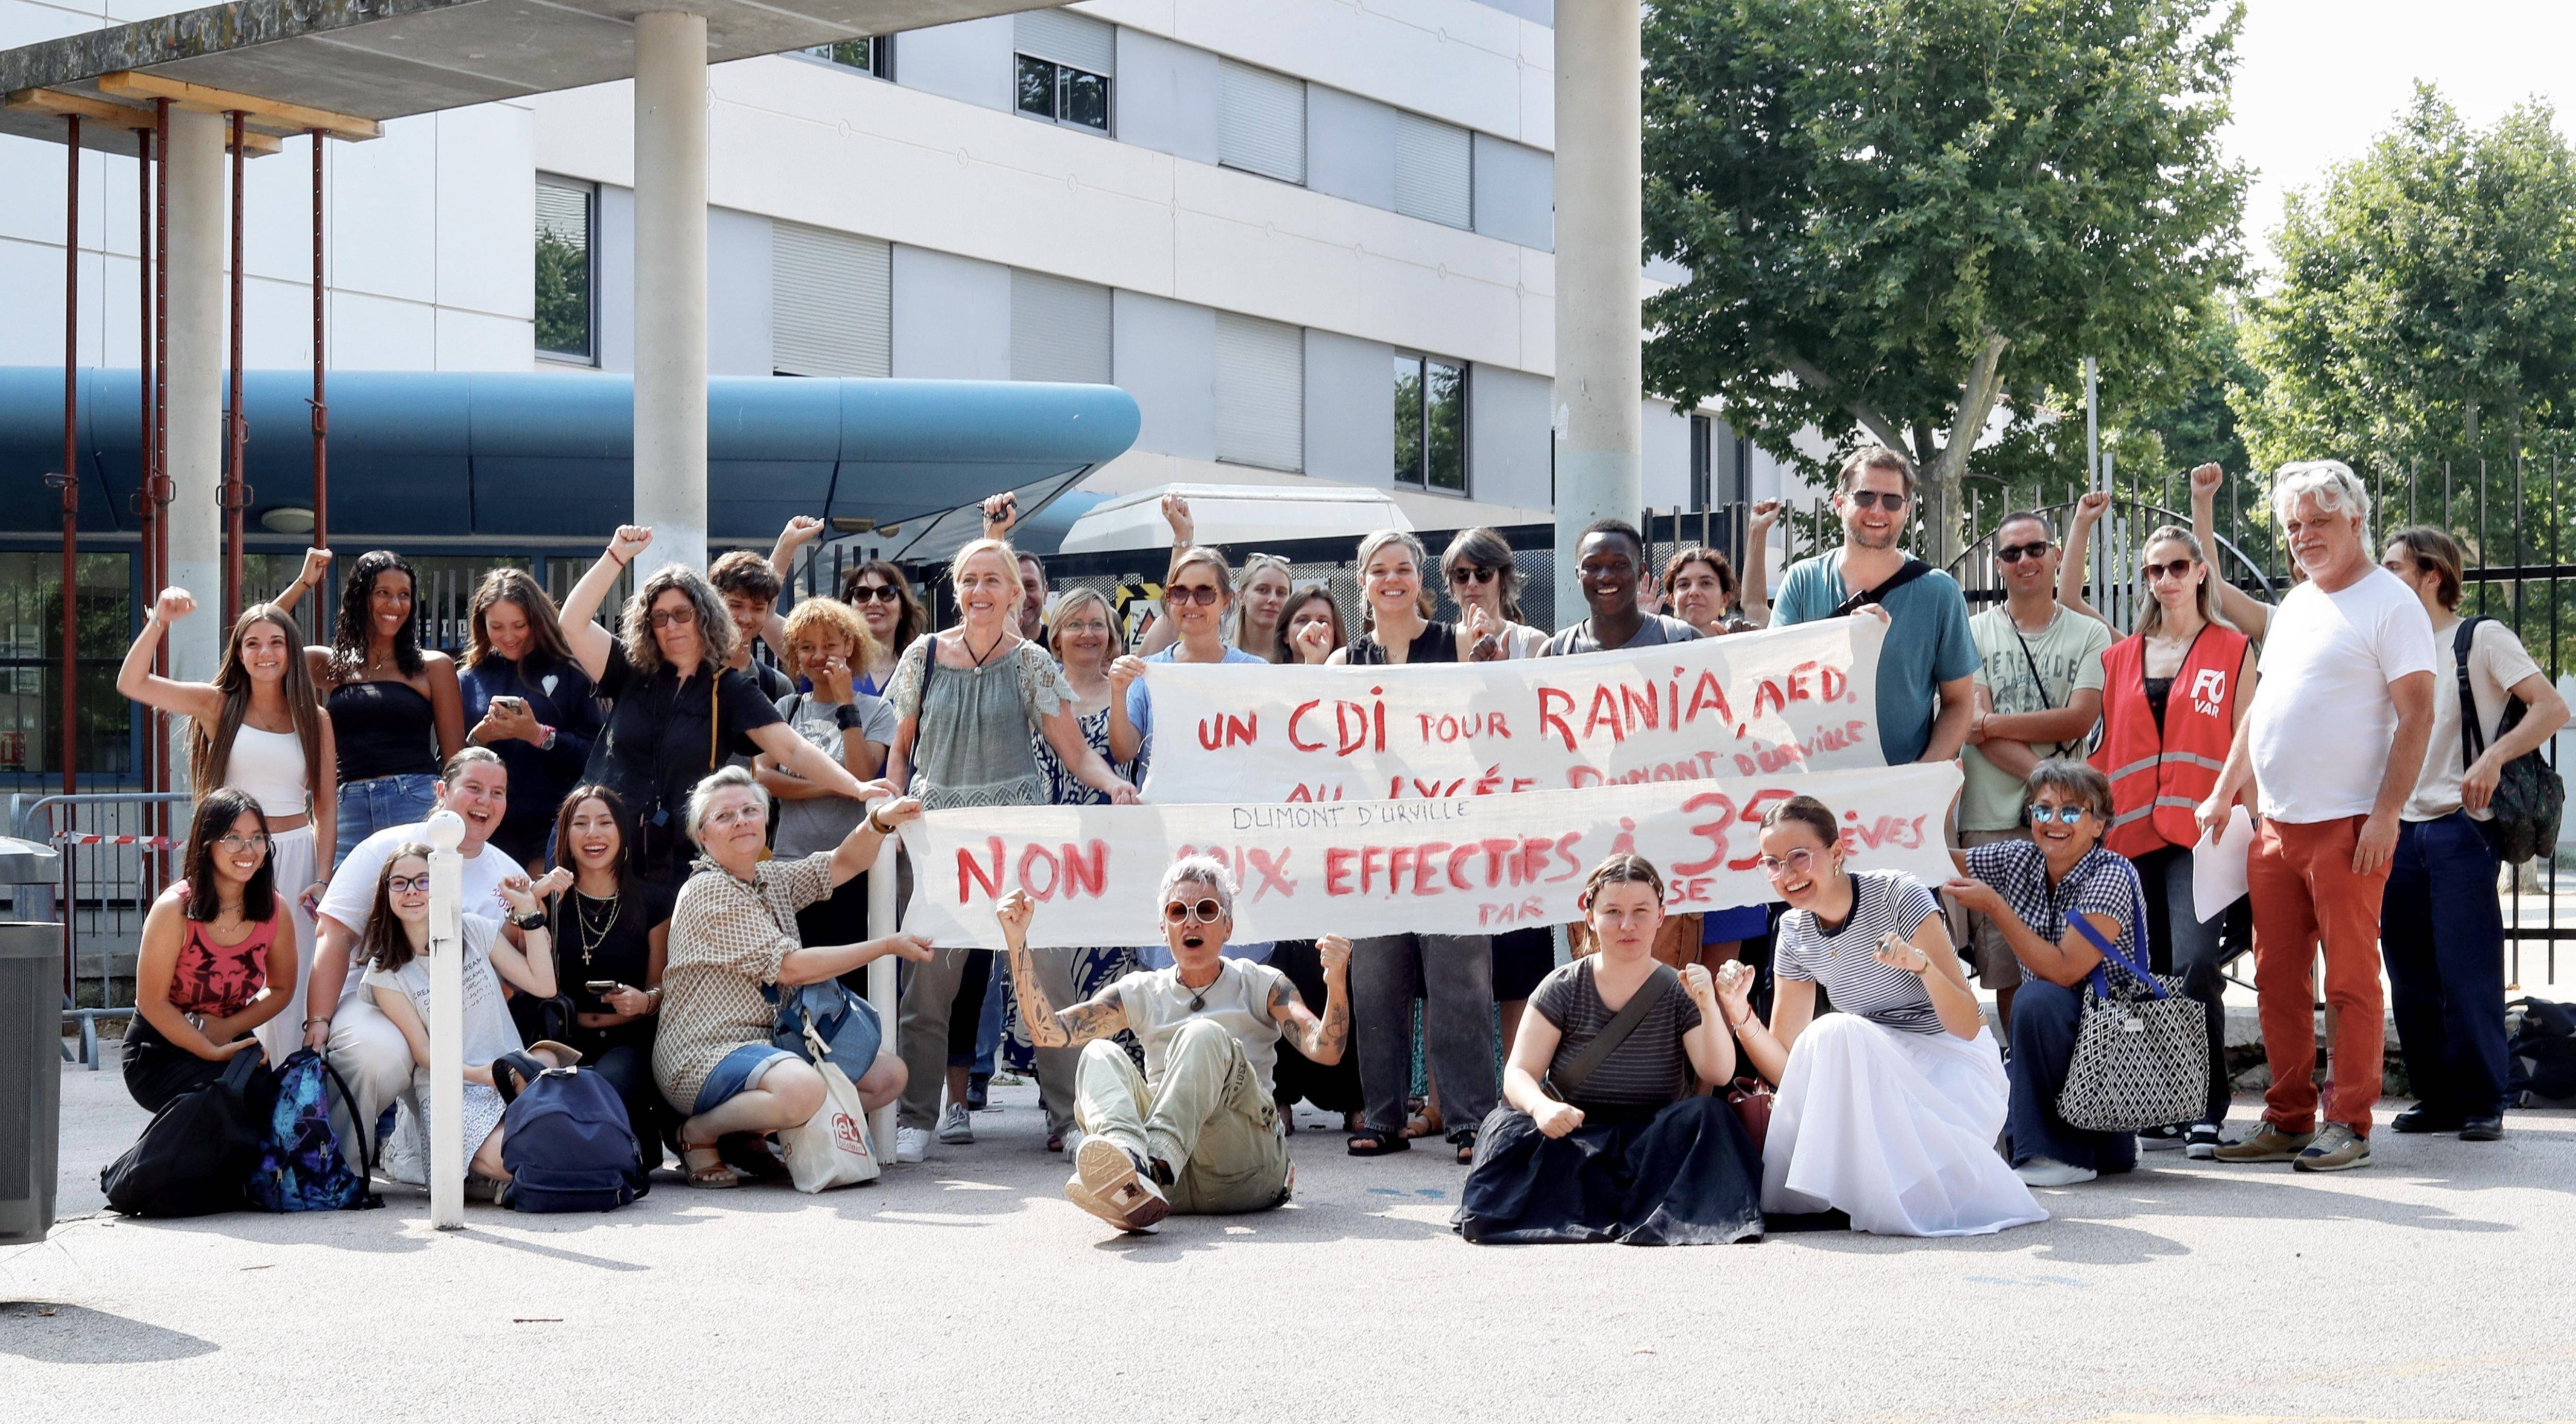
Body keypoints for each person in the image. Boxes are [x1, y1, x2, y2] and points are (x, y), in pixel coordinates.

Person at [2197, 461, 2438, 1173]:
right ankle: (2288, 1117)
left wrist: (2388, 814)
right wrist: (2223, 788)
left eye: (2319, 522)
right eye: (2294, 526)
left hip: (2349, 827)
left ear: (2357, 519)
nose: (2304, 536)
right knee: (2276, 978)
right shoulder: (2299, 604)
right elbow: (2261, 712)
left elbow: (2418, 715)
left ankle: (2351, 1122)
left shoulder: (2391, 603)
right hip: (2274, 826)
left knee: (2351, 981)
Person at [885, 536, 1138, 1163]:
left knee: (1046, 981)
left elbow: (1074, 749)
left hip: (1017, 842)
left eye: (992, 580)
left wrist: (1112, 784)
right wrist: (886, 800)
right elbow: (899, 748)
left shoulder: (1030, 662)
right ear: (956, 587)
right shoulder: (923, 655)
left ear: (1014, 593)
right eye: (969, 580)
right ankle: (915, 1118)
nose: (979, 592)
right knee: (928, 987)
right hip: (941, 840)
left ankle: (1069, 1117)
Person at [1714, 795, 2044, 1237]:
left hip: (1952, 1066)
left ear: (1836, 853)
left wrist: (1922, 967)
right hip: (1876, 1070)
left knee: (1837, 1030)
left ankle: (1856, 1191)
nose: (1787, 874)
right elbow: (1791, 1069)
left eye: (1798, 857)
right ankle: (1824, 1196)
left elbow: (1968, 1024)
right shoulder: (1792, 931)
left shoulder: (1897, 894)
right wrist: (1739, 1014)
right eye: (1772, 863)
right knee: (1832, 1034)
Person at [993, 859, 1351, 1233]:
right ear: (1164, 929)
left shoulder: (1261, 983)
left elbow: (1325, 1049)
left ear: (1228, 926)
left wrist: (1337, 982)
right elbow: (1050, 1033)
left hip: (1246, 1167)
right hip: (1171, 1189)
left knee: (1202, 1034)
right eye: (1179, 911)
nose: (1192, 922)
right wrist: (1017, 944)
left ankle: (1149, 1166)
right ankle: (1129, 1169)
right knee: (1097, 1055)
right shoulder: (1143, 990)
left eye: (1207, 910)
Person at [2058, 495, 2253, 1156]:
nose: (2164, 579)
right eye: (2152, 571)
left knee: (2195, 964)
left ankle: (2204, 1105)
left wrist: (2244, 818)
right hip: (2126, 835)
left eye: (2176, 566)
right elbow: (2068, 599)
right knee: (2135, 969)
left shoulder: (2232, 648)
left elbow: (2243, 741)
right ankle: (2154, 1100)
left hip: (2202, 833)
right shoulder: (2121, 653)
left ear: (2200, 571)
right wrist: (2081, 526)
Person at [1455, 854, 1764, 1246]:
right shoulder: (1562, 986)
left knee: (1709, 1115)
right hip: (1576, 1136)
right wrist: (1542, 1108)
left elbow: (1718, 1073)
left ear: (1661, 916)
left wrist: (1708, 1005)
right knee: (1505, 1126)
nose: (1627, 925)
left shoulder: (1679, 989)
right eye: (1613, 912)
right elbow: (1519, 1074)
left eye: (1641, 912)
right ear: (1589, 916)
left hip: (1653, 1145)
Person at [556, 526, 885, 886]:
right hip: (599, 848)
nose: (671, 626)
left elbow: (793, 748)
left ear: (705, 616)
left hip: (675, 860)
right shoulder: (630, 667)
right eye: (660, 617)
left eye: (682, 614)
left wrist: (857, 788)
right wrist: (616, 555)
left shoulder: (728, 688)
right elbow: (572, 623)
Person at [1314, 530, 1500, 1161]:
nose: (1391, 580)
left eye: (1402, 569)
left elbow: (1487, 732)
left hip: (1450, 844)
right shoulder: (1343, 663)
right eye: (1379, 570)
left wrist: (1481, 666)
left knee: (1461, 986)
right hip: (1373, 850)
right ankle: (1385, 1116)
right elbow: (1327, 752)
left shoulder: (1454, 643)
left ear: (1419, 579)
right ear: (1362, 581)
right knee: (1375, 983)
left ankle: (1472, 1119)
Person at [2379, 527, 2567, 1142]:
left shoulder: (2477, 637)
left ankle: (2484, 1098)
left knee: (2467, 973)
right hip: (2396, 828)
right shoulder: (2383, 645)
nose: (2383, 577)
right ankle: (2436, 1097)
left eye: (2394, 566)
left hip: (2460, 828)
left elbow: (2550, 707)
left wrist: (2491, 758)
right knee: (2408, 977)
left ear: (2432, 573)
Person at [654, 768, 930, 1188]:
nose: (742, 820)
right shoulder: (708, 890)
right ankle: (697, 1135)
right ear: (703, 837)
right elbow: (792, 967)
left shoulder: (768, 878)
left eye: (750, 810)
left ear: (767, 821)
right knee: (802, 1088)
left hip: (773, 1048)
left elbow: (843, 862)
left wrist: (879, 821)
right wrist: (886, 945)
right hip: (703, 1056)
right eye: (725, 816)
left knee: (889, 1077)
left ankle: (749, 1135)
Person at [118, 588, 333, 1064]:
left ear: (292, 651)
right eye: (252, 643)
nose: (265, 653)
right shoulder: (218, 704)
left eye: (276, 642)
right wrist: (160, 622)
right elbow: (132, 683)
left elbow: (325, 804)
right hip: (232, 861)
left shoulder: (315, 717)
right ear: (238, 653)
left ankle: (294, 1107)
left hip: (297, 860)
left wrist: (322, 877)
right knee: (235, 978)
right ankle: (236, 1078)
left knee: (292, 990)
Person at [303, 747, 526, 1172]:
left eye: (497, 793)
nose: (485, 801)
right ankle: (341, 1168)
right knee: (378, 1054)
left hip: (458, 1023)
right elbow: (333, 935)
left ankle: (437, 1157)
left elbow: (512, 973)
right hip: (378, 1005)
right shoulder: (384, 849)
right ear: (442, 791)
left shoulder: (509, 873)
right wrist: (318, 1022)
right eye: (474, 788)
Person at [1944, 761, 2156, 1186]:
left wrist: (1997, 909)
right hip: (2063, 1036)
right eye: (2042, 811)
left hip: (2115, 1038)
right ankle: (2096, 1143)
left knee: (2036, 999)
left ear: (2098, 825)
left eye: (2071, 812)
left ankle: (2059, 1156)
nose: (2054, 823)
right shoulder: (2021, 858)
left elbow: (2063, 971)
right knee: (1982, 1087)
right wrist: (1940, 803)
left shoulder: (2112, 873)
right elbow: (1938, 863)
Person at [1955, 510, 2112, 1031]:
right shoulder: (1970, 629)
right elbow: (1970, 728)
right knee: (2005, 966)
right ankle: (2023, 1070)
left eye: (2034, 549)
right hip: (1991, 817)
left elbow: (2080, 715)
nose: (2024, 560)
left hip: (2068, 821)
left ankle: (2072, 1078)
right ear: (1997, 564)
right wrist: (2051, 777)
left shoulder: (2089, 633)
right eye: (2010, 552)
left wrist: (1995, 722)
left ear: (2055, 556)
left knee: (2072, 953)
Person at [360, 845, 565, 1188]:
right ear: (387, 893)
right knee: (515, 1156)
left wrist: (528, 909)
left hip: (509, 1077)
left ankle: (509, 1176)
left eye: (423, 881)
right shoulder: (386, 971)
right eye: (400, 883)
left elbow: (544, 986)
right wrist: (481, 1075)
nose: (411, 890)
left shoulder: (473, 930)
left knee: (545, 1057)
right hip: (450, 1086)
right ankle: (503, 1173)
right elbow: (424, 1054)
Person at [1772, 447, 1979, 766]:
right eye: (1865, 497)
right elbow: (1774, 682)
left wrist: (1922, 774)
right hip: (1813, 790)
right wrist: (1838, 642)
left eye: (1892, 501)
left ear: (1907, 510)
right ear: (1839, 504)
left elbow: (1960, 702)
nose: (1878, 510)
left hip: (1901, 793)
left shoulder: (1940, 593)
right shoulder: (1802, 581)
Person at [123, 789, 299, 1111]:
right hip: (159, 1046)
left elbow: (282, 988)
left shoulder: (275, 909)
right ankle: (142, 1164)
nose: (248, 850)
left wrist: (228, 1030)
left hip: (228, 1035)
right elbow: (151, 1002)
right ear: (208, 844)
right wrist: (209, 1050)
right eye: (233, 838)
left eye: (258, 838)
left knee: (263, 1100)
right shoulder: (174, 909)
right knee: (212, 1101)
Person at [756, 597, 894, 987]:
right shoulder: (786, 707)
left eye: (830, 645)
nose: (819, 656)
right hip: (790, 863)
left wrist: (846, 700)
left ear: (850, 646)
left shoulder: (877, 711)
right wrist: (833, 787)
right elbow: (764, 776)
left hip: (850, 864)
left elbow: (863, 772)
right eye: (807, 647)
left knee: (846, 979)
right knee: (792, 976)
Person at [307, 550, 465, 861]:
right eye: (383, 593)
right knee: (344, 907)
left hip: (416, 802)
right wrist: (303, 583)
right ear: (360, 598)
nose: (395, 605)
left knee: (420, 903)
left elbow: (454, 760)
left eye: (404, 595)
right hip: (347, 808)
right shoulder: (329, 665)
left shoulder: (432, 667)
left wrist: (455, 822)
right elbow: (260, 642)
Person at [544, 785, 674, 1152]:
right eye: (580, 824)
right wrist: (536, 894)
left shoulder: (653, 900)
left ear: (622, 832)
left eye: (605, 822)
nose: (593, 834)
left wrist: (643, 1002)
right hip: (562, 1036)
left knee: (609, 1082)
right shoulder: (552, 899)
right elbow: (509, 955)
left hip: (627, 1039)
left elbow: (660, 986)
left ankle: (615, 1153)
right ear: (566, 837)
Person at [456, 568, 602, 869]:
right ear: (481, 626)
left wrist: (538, 734)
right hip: (484, 825)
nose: (508, 637)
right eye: (496, 627)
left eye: (519, 625)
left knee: (540, 912)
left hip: (551, 823)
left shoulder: (571, 672)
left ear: (536, 621)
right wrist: (480, 739)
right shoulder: (468, 680)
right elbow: (449, 762)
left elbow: (596, 755)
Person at [1108, 544, 1272, 778]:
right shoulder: (1148, 673)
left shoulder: (1256, 672)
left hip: (1232, 812)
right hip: (1163, 812)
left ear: (1226, 600)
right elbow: (1124, 752)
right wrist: (1117, 692)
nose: (1191, 604)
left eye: (1204, 593)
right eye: (1179, 592)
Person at [1543, 519, 1699, 655]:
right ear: (1578, 575)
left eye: (1619, 565)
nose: (1605, 576)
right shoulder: (1555, 653)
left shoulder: (1684, 640)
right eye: (1592, 566)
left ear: (1640, 572)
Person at [707, 550, 795, 703]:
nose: (746, 619)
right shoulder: (686, 677)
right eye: (735, 606)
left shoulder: (778, 686)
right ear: (714, 604)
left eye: (758, 608)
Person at [839, 560, 928, 697]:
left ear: (903, 609)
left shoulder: (922, 673)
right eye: (862, 594)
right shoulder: (829, 668)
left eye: (886, 593)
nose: (874, 602)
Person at [1277, 583, 1348, 665]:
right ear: (1286, 634)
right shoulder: (1267, 674)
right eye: (1303, 620)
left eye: (1322, 622)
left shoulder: (1351, 676)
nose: (1313, 626)